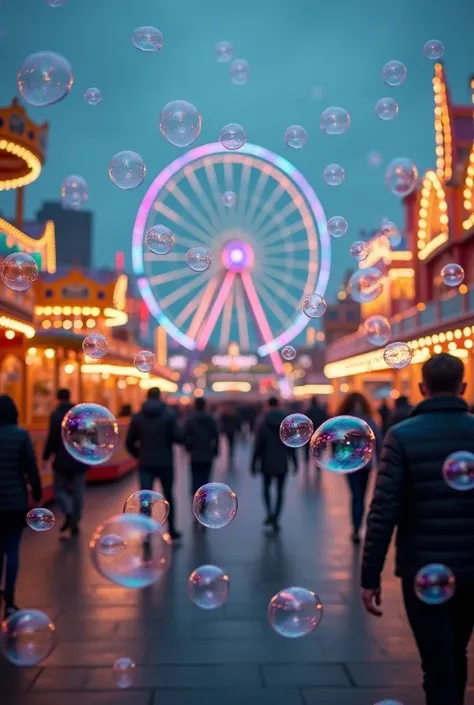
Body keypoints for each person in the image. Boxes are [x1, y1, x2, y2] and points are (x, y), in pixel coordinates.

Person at [361, 353, 474, 705]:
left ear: (422, 388)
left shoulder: (402, 435)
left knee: (436, 663)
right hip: (472, 566)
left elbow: (383, 511)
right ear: (463, 386)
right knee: (458, 651)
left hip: (422, 568)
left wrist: (370, 575)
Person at [0, 395, 42, 618]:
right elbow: (31, 469)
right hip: (15, 502)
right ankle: (9, 600)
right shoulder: (21, 435)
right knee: (12, 549)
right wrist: (36, 494)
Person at [126, 387, 182, 540]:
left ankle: (146, 531)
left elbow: (129, 442)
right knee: (169, 495)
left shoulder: (137, 417)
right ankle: (171, 529)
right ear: (160, 397)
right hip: (165, 462)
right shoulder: (169, 416)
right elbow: (178, 437)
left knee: (145, 498)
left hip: (145, 463)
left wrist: (139, 455)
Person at [336, 392, 382, 544]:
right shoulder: (369, 420)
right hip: (365, 464)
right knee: (360, 496)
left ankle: (356, 527)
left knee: (356, 495)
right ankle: (358, 526)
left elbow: (335, 441)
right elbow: (379, 441)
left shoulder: (344, 421)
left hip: (350, 463)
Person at [43, 388, 87, 537]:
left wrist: (46, 456)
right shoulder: (79, 414)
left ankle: (68, 512)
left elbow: (52, 438)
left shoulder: (56, 415)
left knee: (59, 489)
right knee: (78, 492)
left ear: (58, 398)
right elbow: (87, 437)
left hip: (61, 459)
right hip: (79, 459)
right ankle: (75, 520)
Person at [251, 397, 297, 532]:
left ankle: (269, 512)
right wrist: (294, 462)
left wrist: (253, 463)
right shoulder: (286, 422)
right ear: (279, 405)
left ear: (267, 405)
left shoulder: (262, 421)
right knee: (280, 491)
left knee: (266, 489)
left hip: (266, 461)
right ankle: (276, 517)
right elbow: (291, 444)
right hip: (282, 461)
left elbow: (258, 445)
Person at [183, 397, 219, 523]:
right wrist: (215, 451)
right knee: (206, 481)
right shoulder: (211, 419)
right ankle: (203, 507)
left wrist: (189, 448)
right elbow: (216, 435)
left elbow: (184, 436)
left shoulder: (190, 420)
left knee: (194, 481)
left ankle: (196, 507)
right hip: (207, 454)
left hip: (195, 454)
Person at [303, 396, 328, 467]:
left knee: (307, 451)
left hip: (309, 435)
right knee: (318, 451)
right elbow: (325, 424)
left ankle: (306, 465)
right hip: (319, 435)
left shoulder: (308, 411)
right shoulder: (321, 411)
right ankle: (317, 466)